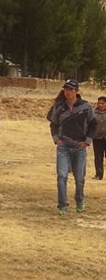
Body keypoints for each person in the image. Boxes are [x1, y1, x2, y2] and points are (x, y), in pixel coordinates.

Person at [46, 79, 95, 215]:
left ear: (77, 91)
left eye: (71, 89)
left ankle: (79, 200)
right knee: (61, 176)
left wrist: (87, 141)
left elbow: (93, 124)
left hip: (80, 147)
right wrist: (57, 139)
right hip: (64, 147)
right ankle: (62, 205)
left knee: (79, 178)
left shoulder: (86, 106)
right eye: (66, 89)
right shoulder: (59, 106)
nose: (68, 92)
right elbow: (53, 124)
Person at [92, 96, 106, 180]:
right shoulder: (93, 113)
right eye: (99, 103)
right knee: (98, 157)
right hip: (97, 138)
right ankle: (98, 175)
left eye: (103, 103)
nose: (100, 105)